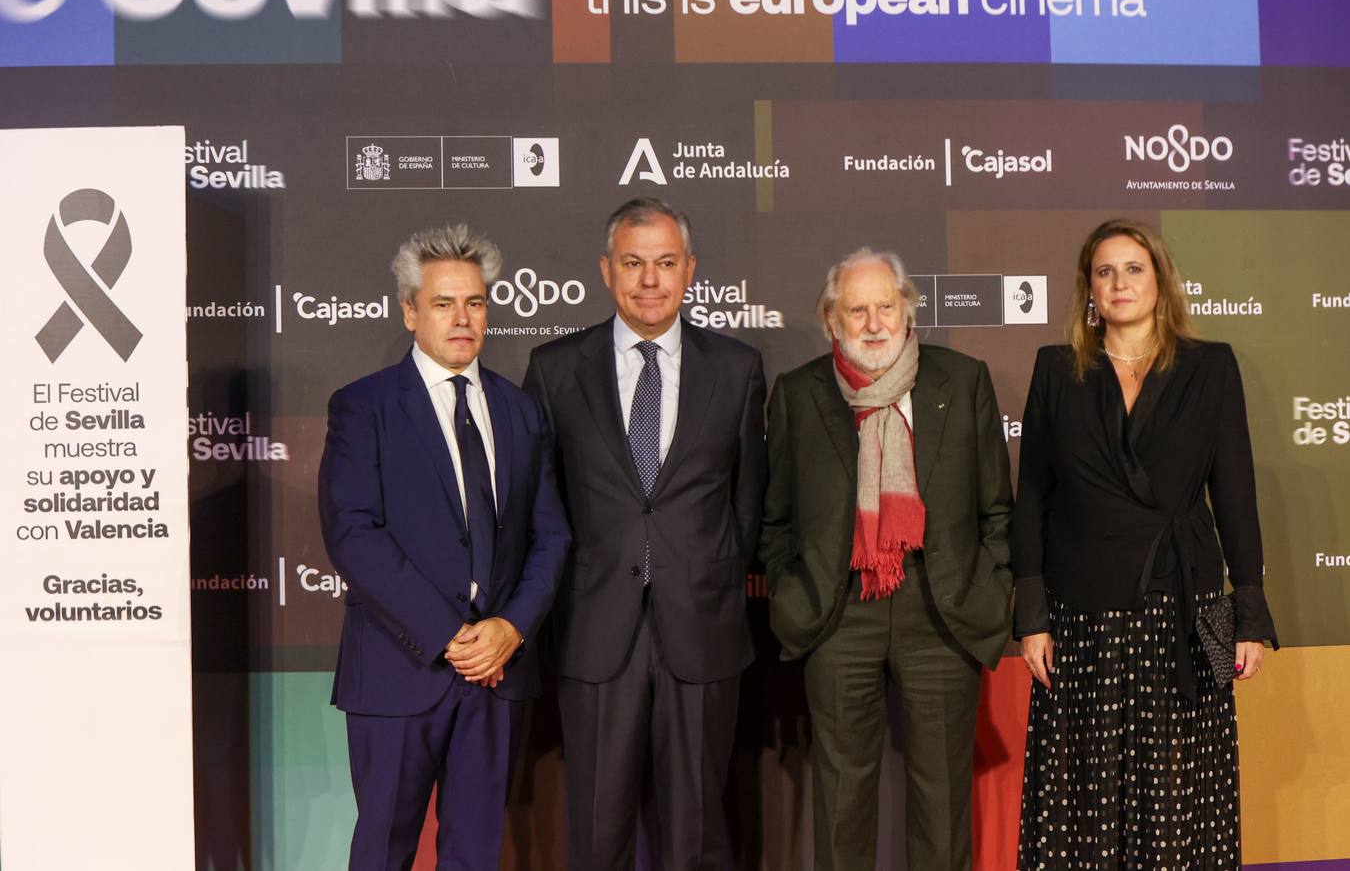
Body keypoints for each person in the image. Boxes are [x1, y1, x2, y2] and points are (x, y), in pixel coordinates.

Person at [1013, 218, 1279, 869]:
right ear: (1088, 291)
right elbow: (1031, 503)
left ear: (1160, 282)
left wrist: (1248, 614)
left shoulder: (1211, 367)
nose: (1119, 282)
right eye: (1105, 271)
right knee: (1085, 790)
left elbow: (1236, 497)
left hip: (1181, 606)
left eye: (1134, 268)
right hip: (1082, 611)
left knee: (1179, 787)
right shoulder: (1056, 370)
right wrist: (1031, 616)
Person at [523, 197, 767, 870]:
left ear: (689, 270)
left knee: (698, 835)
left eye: (664, 263)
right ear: (607, 270)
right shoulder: (554, 369)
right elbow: (538, 504)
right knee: (597, 834)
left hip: (703, 630)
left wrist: (705, 574)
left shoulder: (737, 368)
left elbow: (747, 502)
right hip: (596, 633)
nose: (650, 280)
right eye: (634, 263)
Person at [318, 223, 570, 870]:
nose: (463, 318)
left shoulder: (521, 412)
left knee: (477, 855)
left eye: (476, 302)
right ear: (410, 311)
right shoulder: (363, 407)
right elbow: (352, 533)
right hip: (401, 672)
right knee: (382, 852)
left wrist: (510, 629)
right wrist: (448, 633)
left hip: (496, 676)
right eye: (443, 303)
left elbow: (551, 536)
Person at [758, 247, 1013, 871]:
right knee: (841, 799)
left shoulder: (964, 379)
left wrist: (993, 585)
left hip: (941, 609)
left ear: (908, 308)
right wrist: (797, 595)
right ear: (831, 319)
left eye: (886, 306)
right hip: (839, 614)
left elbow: (996, 511)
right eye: (857, 310)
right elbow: (776, 519)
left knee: (942, 799)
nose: (874, 323)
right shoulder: (798, 394)